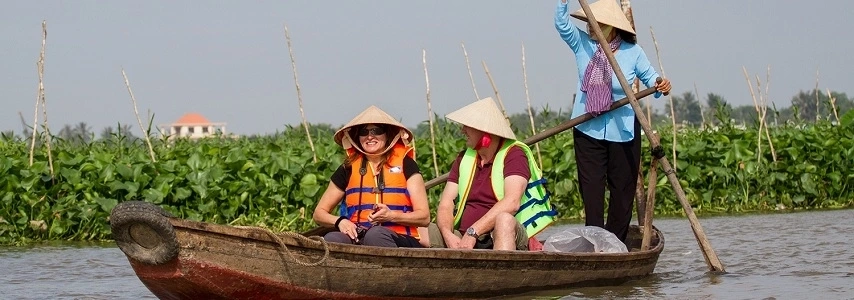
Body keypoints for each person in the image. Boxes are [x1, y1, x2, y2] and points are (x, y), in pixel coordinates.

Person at [554, 0, 672, 243]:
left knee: (622, 192)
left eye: (596, 24)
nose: (589, 27)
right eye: (588, 23)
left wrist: (661, 85)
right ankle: (595, 244)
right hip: (588, 128)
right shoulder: (582, 44)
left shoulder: (633, 52)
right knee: (592, 192)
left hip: (624, 131)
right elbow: (562, 24)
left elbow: (652, 80)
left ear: (612, 27)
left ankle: (615, 244)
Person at [424, 97, 556, 251]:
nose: (462, 130)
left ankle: (502, 273)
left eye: (468, 126)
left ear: (485, 132)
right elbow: (446, 204)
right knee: (419, 230)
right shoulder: (463, 158)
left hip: (501, 233)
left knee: (504, 220)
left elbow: (512, 203)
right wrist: (448, 235)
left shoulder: (514, 155)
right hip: (463, 236)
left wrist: (473, 232)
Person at [312, 106, 430, 248]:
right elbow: (319, 213)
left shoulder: (407, 164)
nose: (369, 136)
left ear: (388, 135)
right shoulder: (348, 167)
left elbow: (424, 217)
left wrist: (391, 215)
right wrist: (340, 221)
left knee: (375, 235)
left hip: (399, 239)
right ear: (357, 137)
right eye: (364, 132)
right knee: (331, 238)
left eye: (376, 131)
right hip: (359, 235)